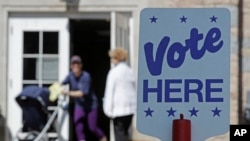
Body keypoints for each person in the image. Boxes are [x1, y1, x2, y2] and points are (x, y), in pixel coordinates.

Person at [62, 55, 107, 141]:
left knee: (92, 127)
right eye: (73, 64)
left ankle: (103, 138)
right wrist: (54, 89)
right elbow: (61, 83)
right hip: (79, 105)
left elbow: (82, 93)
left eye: (77, 64)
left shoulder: (86, 76)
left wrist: (67, 92)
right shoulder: (70, 75)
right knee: (78, 124)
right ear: (71, 66)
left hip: (91, 105)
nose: (76, 66)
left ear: (81, 65)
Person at [103, 48, 137, 141]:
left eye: (113, 58)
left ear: (117, 58)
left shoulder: (114, 72)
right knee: (125, 133)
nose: (111, 60)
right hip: (130, 109)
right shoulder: (130, 71)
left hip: (119, 109)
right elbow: (134, 89)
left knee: (119, 134)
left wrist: (108, 110)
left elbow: (109, 92)